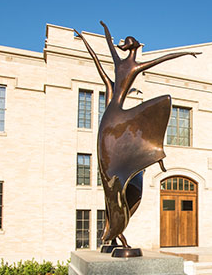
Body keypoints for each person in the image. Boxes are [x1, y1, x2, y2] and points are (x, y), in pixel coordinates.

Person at [75, 22, 199, 250]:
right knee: (111, 179)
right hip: (115, 121)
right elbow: (104, 56)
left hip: (113, 118)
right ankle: (114, 232)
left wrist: (185, 53)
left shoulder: (131, 65)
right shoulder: (129, 65)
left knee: (119, 183)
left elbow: (160, 59)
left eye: (126, 42)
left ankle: (113, 233)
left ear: (130, 46)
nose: (122, 45)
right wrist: (88, 38)